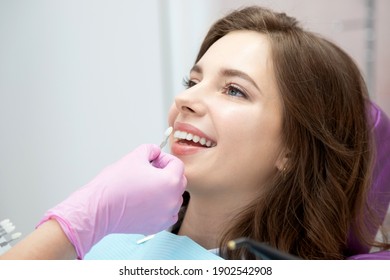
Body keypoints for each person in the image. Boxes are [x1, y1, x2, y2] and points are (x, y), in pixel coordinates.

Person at [1, 5, 390, 260]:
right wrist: (80, 224)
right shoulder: (104, 240)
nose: (185, 99)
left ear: (292, 149)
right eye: (192, 81)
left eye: (234, 90)